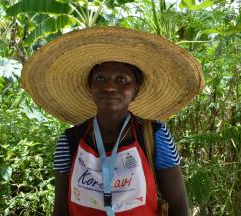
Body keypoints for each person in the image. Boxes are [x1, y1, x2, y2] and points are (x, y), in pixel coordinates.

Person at [21, 27, 204, 216]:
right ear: (90, 87)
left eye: (122, 79)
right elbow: (60, 210)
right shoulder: (69, 141)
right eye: (100, 78)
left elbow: (179, 206)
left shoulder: (155, 135)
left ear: (135, 90)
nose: (109, 86)